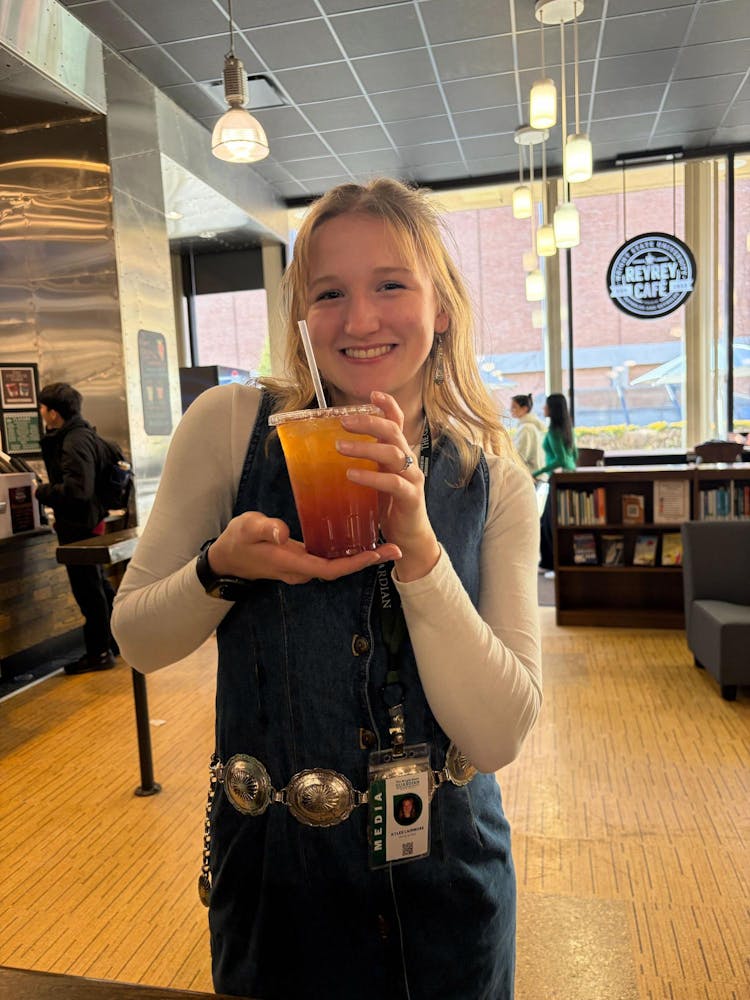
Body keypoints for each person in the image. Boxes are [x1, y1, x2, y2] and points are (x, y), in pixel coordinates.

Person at [112, 178, 542, 1000]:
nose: (360, 319)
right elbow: (135, 637)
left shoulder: (493, 482)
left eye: (392, 285)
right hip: (279, 889)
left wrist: (420, 552)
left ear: (441, 307)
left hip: (451, 887)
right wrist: (221, 567)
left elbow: (497, 736)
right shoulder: (231, 429)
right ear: (302, 319)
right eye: (330, 293)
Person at [36, 382, 117, 674]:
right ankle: (115, 641)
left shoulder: (73, 441)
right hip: (90, 521)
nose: (41, 412)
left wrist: (42, 491)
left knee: (88, 591)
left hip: (79, 525)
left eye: (43, 407)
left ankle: (99, 653)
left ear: (54, 413)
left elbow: (78, 490)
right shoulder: (83, 435)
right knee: (98, 585)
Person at [533, 392, 578, 574]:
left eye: (546, 405)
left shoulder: (553, 431)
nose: (543, 408)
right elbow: (574, 456)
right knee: (552, 521)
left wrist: (536, 473)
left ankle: (550, 564)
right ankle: (550, 563)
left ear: (553, 408)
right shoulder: (568, 428)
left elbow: (559, 459)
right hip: (570, 476)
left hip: (558, 479)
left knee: (548, 523)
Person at [509, 393, 545, 475]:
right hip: (533, 474)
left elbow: (520, 456)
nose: (511, 410)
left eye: (514, 407)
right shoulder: (528, 426)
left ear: (524, 409)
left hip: (531, 475)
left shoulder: (526, 428)